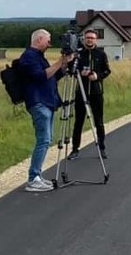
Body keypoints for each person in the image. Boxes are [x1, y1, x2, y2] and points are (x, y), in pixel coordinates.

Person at [19, 28, 73, 192]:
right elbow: (41, 76)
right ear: (38, 40)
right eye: (47, 40)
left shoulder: (39, 57)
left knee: (46, 140)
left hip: (47, 102)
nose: (50, 44)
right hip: (38, 103)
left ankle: (37, 176)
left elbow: (52, 77)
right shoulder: (28, 57)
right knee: (43, 140)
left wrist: (64, 64)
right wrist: (59, 62)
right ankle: (33, 178)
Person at [67, 29, 111, 160]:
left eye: (92, 38)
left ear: (95, 39)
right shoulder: (79, 54)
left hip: (96, 92)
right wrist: (78, 73)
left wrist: (98, 76)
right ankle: (75, 149)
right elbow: (71, 69)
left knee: (99, 121)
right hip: (81, 91)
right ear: (84, 39)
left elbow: (107, 71)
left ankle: (102, 148)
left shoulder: (101, 54)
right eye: (87, 38)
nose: (89, 40)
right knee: (78, 122)